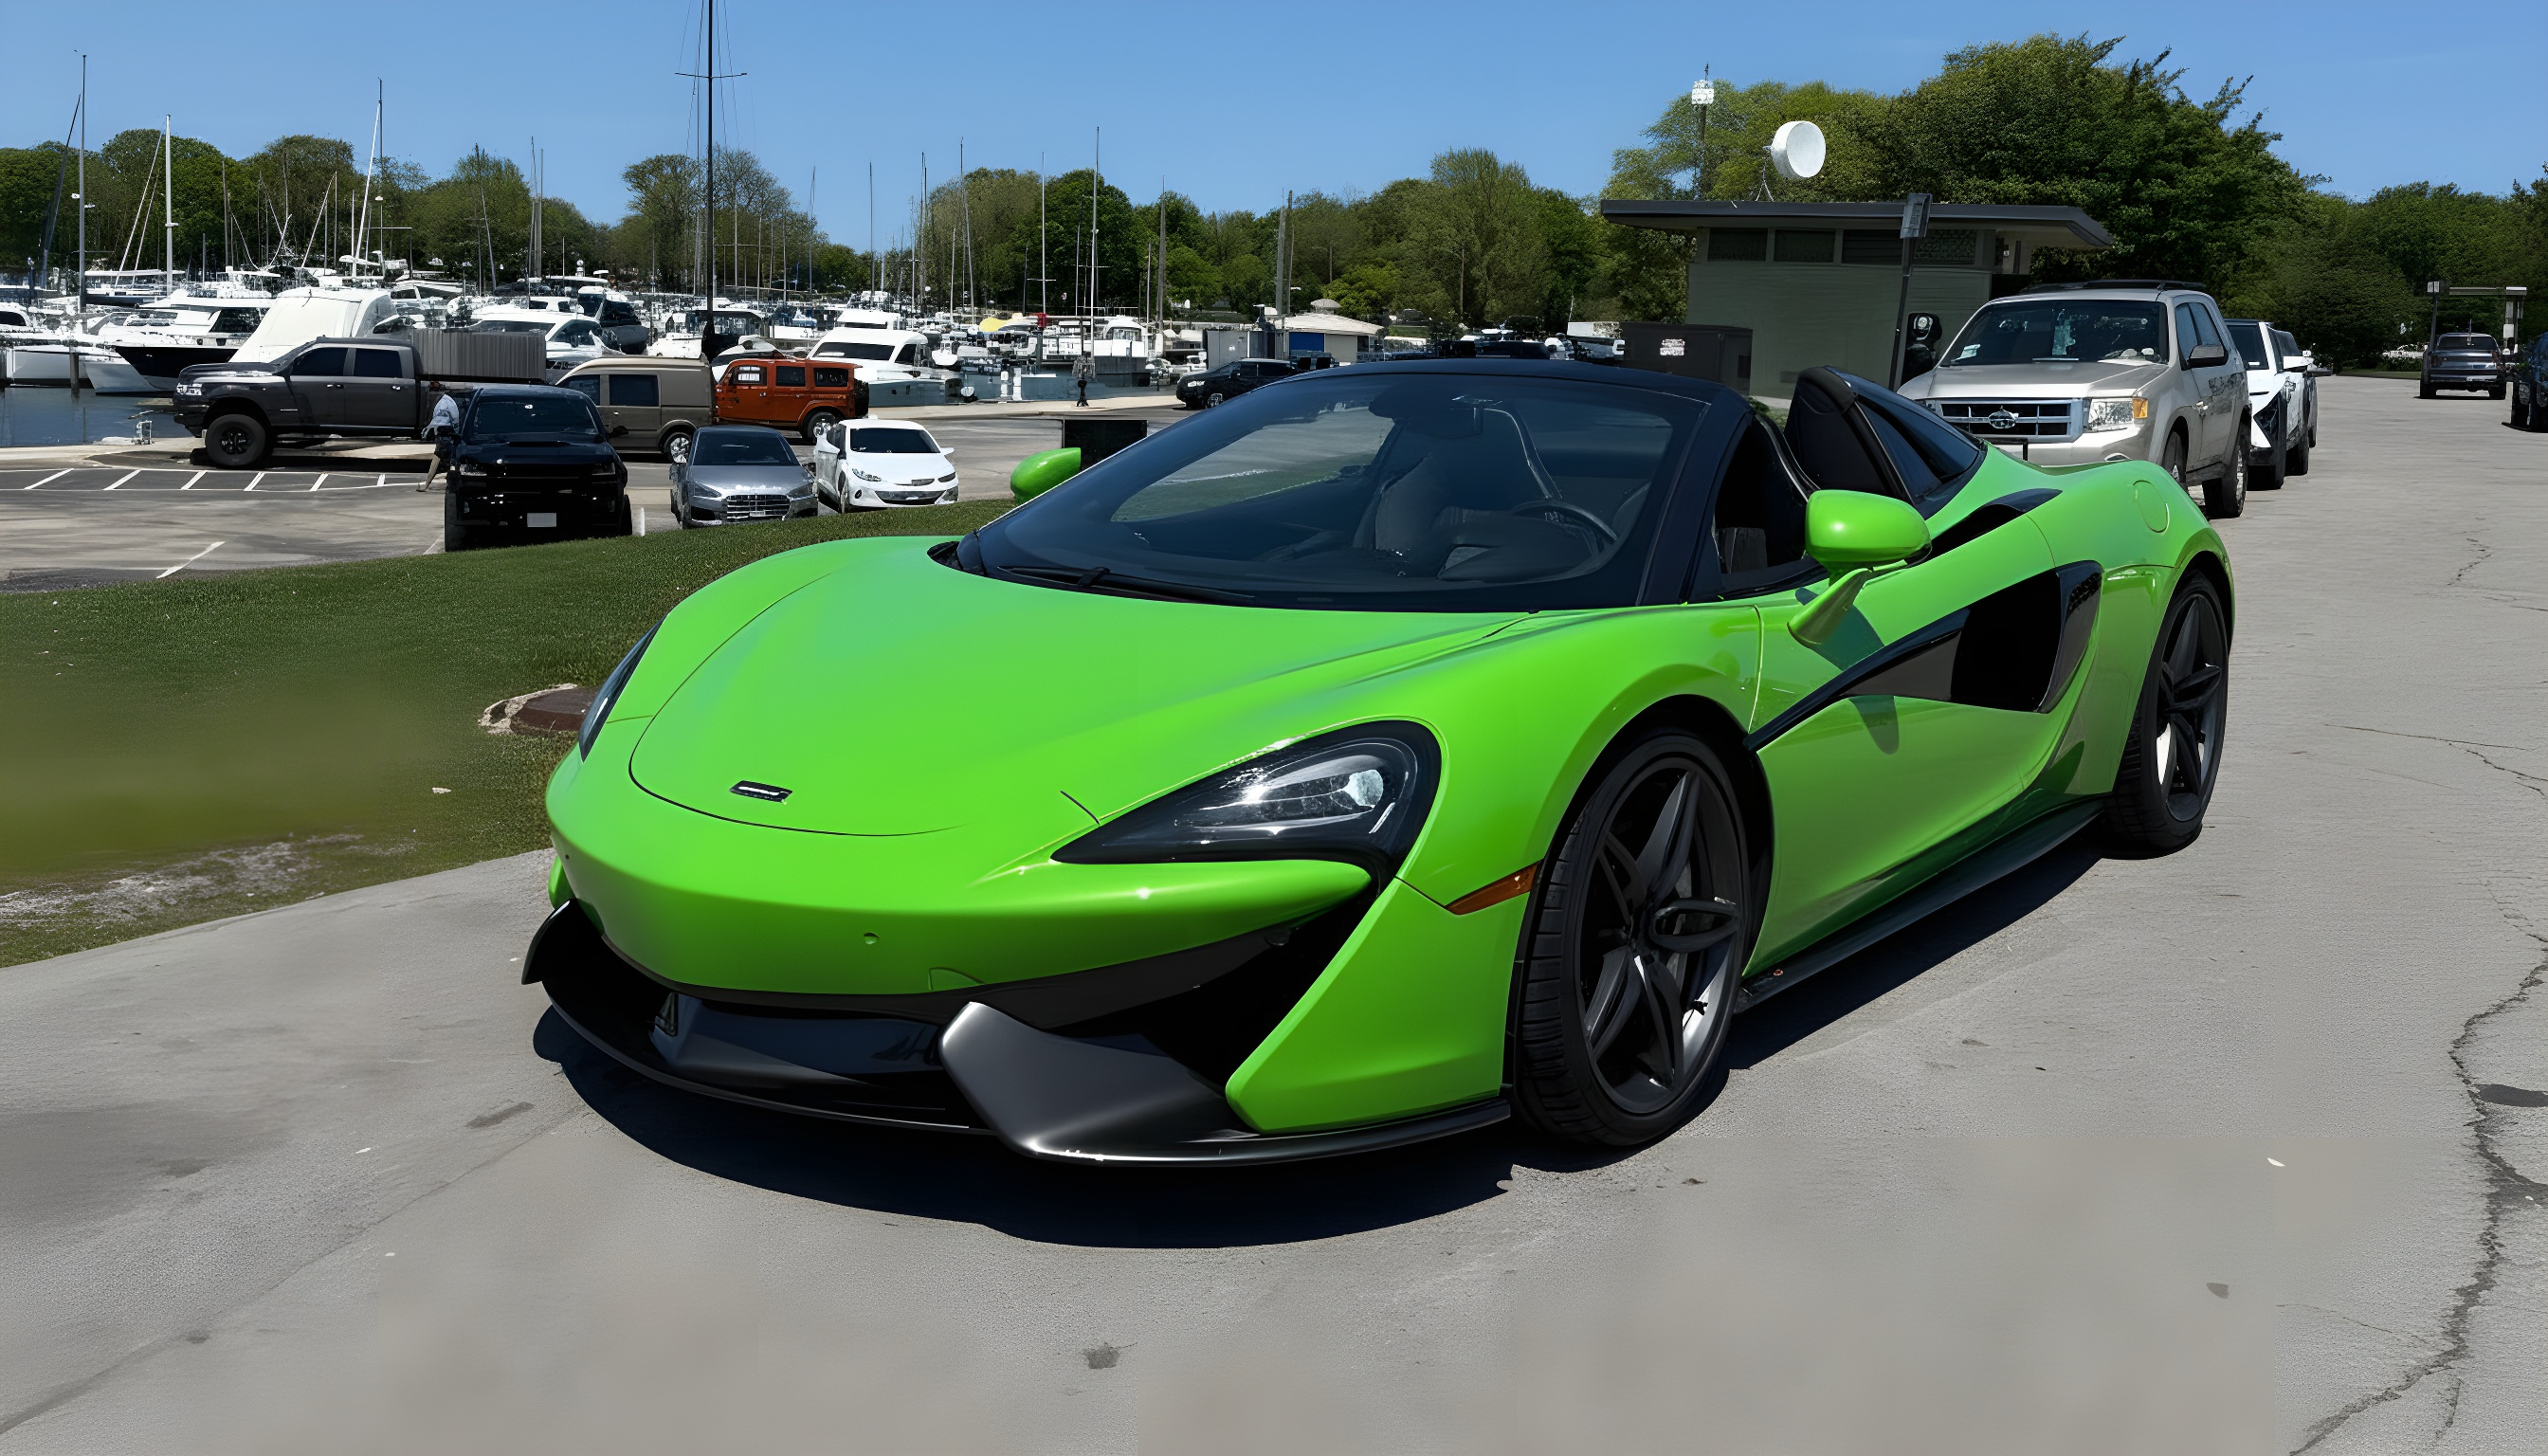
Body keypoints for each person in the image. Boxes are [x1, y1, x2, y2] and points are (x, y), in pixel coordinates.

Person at [419, 382, 460, 491]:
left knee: (439, 457)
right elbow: (454, 419)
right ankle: (452, 485)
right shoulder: (449, 402)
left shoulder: (442, 402)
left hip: (442, 434)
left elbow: (437, 419)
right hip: (448, 433)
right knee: (452, 459)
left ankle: (427, 483)